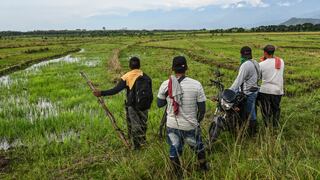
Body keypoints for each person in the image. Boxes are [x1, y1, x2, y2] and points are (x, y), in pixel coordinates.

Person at [157, 56, 208, 178]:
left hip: (172, 125)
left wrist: (169, 95)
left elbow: (160, 104)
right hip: (190, 125)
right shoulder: (196, 84)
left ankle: (178, 174)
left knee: (175, 149)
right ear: (187, 68)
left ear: (173, 68)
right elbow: (202, 110)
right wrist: (196, 122)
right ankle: (204, 169)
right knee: (198, 148)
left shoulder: (166, 84)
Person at [93, 57, 153, 150]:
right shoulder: (146, 76)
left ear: (129, 66)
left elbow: (115, 90)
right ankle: (143, 142)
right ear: (139, 65)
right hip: (145, 105)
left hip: (132, 106)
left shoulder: (127, 76)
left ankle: (137, 148)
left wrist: (101, 93)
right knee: (143, 124)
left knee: (135, 126)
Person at [230, 46, 261, 136]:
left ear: (241, 54)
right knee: (248, 110)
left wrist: (230, 90)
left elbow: (238, 81)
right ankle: (247, 128)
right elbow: (259, 76)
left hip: (247, 92)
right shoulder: (255, 62)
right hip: (254, 90)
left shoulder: (245, 65)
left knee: (250, 112)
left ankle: (253, 133)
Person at [257, 45, 284, 128]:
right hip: (277, 91)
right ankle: (275, 126)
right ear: (273, 52)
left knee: (265, 111)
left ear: (265, 52)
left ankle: (267, 127)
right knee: (276, 109)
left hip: (265, 90)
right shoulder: (281, 61)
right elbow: (275, 60)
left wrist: (263, 61)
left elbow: (259, 77)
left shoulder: (261, 64)